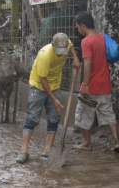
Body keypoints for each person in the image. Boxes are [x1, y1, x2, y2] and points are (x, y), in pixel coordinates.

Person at [16, 32, 80, 163]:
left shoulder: (65, 44)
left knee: (54, 117)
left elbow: (71, 47)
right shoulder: (45, 55)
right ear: (53, 45)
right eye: (59, 51)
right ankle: (24, 150)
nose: (61, 54)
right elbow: (43, 79)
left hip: (55, 84)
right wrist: (54, 99)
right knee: (32, 116)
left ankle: (48, 149)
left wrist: (75, 57)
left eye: (63, 51)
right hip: (39, 85)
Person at [74, 11, 119, 152]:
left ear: (83, 25)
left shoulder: (86, 41)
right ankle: (117, 141)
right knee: (108, 114)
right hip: (105, 84)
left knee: (83, 115)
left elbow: (87, 64)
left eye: (78, 27)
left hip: (92, 87)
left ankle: (86, 143)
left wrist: (86, 86)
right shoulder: (102, 37)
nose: (78, 30)